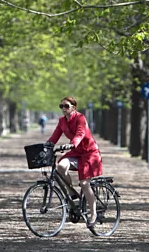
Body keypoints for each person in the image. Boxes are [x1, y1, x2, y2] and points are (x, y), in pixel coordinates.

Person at [46, 96, 103, 228]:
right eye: (61, 106)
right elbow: (54, 136)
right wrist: (46, 146)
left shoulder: (80, 118)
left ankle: (93, 214)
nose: (63, 109)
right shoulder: (62, 121)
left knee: (84, 183)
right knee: (60, 166)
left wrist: (72, 144)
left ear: (73, 108)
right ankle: (71, 192)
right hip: (76, 153)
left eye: (66, 106)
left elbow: (80, 133)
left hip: (89, 153)